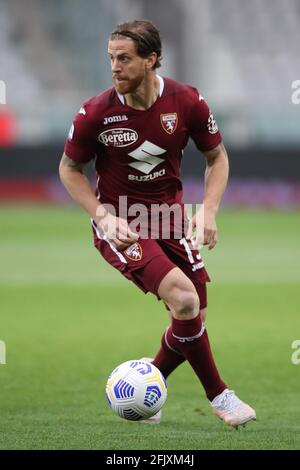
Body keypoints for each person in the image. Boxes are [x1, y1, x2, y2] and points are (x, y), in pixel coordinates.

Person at [59, 19, 256, 428]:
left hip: (170, 219)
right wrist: (102, 216)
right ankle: (221, 396)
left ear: (151, 60)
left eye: (125, 59)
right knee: (184, 300)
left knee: (194, 311)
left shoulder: (188, 102)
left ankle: (150, 384)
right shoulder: (95, 112)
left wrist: (210, 209)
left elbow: (216, 157)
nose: (115, 67)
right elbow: (69, 169)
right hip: (123, 223)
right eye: (111, 58)